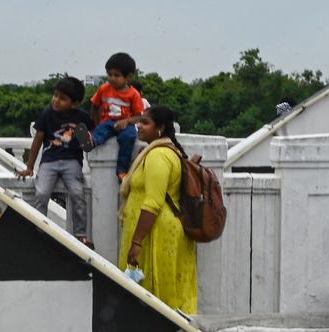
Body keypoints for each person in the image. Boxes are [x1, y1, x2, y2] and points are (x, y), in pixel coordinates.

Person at [119, 105, 197, 313]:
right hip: (156, 231)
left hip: (157, 234)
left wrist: (136, 243)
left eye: (145, 122)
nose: (139, 126)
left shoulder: (158, 156)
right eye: (140, 121)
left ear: (160, 128)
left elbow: (153, 202)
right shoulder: (163, 151)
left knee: (158, 297)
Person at [18, 76, 92, 246]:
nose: (56, 100)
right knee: (42, 193)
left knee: (77, 194)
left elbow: (87, 146)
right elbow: (37, 140)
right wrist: (29, 167)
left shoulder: (81, 117)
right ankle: (40, 228)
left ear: (74, 104)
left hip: (72, 162)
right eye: (55, 95)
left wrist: (81, 131)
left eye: (62, 98)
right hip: (49, 161)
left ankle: (80, 234)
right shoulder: (47, 114)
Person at [88, 53, 146, 181]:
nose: (112, 78)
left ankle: (122, 171)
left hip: (126, 125)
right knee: (101, 131)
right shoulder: (104, 89)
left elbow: (140, 117)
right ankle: (91, 142)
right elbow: (95, 106)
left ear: (128, 77)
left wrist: (126, 121)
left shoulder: (133, 94)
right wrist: (96, 125)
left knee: (128, 138)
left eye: (117, 75)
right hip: (108, 121)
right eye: (110, 74)